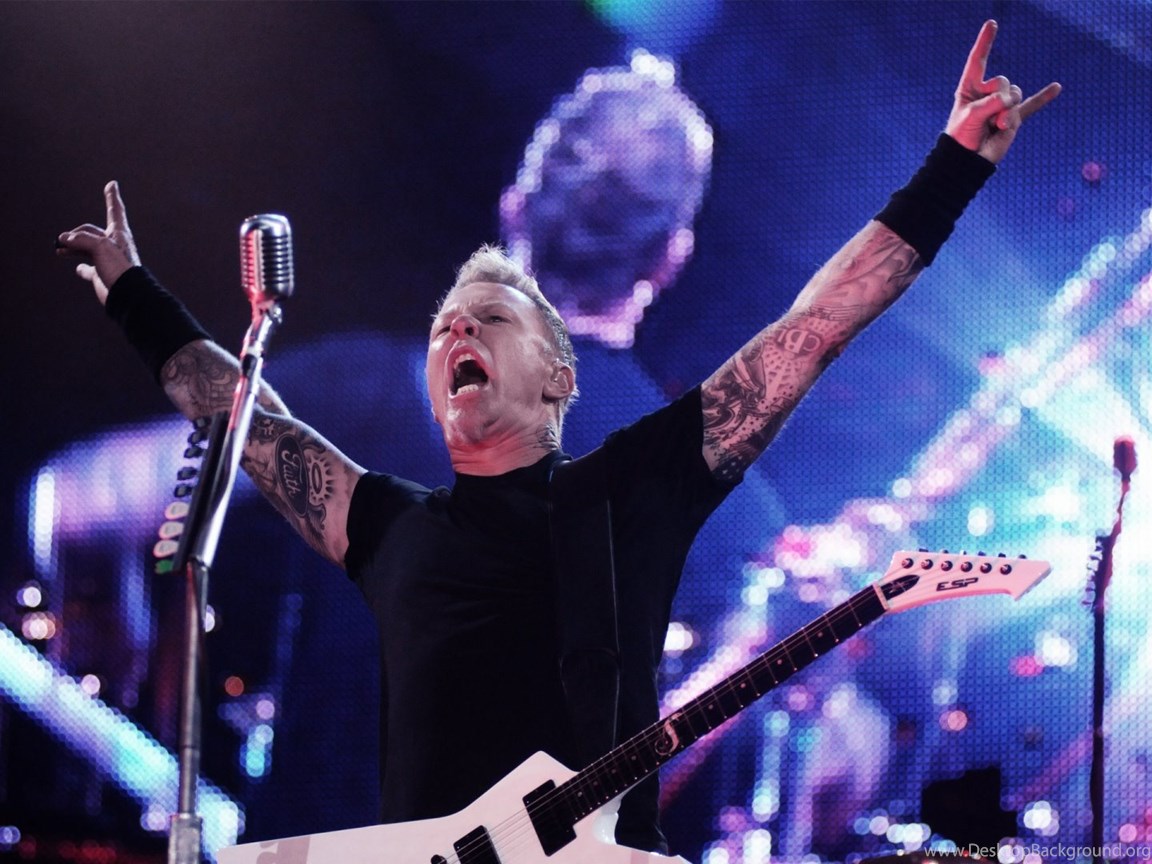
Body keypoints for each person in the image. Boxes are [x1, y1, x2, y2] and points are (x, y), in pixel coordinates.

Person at [56, 20, 1059, 857]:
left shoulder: (358, 423)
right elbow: (820, 324)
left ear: (514, 211)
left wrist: (119, 643)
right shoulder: (694, 477)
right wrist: (951, 171)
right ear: (669, 259)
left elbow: (89, 494)